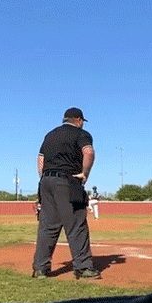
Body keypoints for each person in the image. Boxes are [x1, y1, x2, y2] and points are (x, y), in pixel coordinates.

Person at [32, 107, 100, 280]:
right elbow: (88, 152)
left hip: (46, 181)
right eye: (82, 122)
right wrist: (85, 174)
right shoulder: (80, 134)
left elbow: (40, 159)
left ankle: (41, 269)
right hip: (67, 181)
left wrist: (44, 180)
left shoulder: (50, 135)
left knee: (48, 226)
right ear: (78, 119)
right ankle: (83, 267)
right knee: (77, 223)